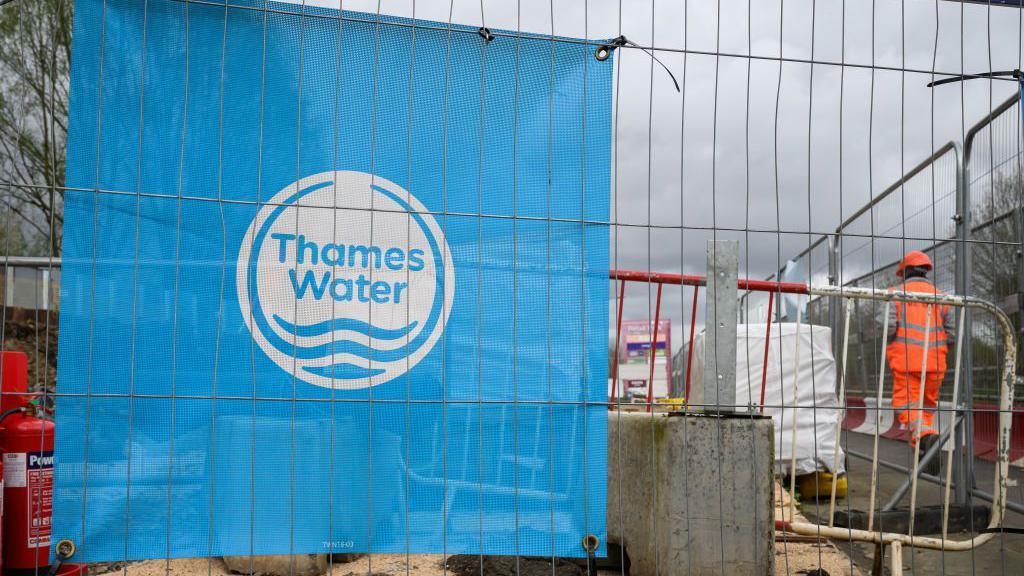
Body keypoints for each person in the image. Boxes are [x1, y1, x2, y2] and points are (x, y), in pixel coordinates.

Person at [886, 250, 954, 474]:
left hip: (905, 362)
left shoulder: (894, 294)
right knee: (926, 407)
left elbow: (886, 327)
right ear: (926, 271)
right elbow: (951, 334)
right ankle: (924, 448)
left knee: (906, 405)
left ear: (904, 271)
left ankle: (925, 439)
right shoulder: (942, 297)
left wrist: (890, 343)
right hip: (935, 363)